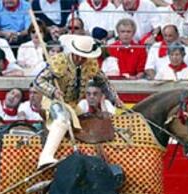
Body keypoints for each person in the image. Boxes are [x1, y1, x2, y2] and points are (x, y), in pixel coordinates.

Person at [33, 34, 123, 168]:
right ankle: (45, 157)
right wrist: (53, 91)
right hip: (53, 101)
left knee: (89, 123)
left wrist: (114, 98)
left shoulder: (91, 64)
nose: (81, 59)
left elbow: (104, 82)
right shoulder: (59, 61)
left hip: (73, 105)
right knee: (62, 119)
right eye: (79, 55)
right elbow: (38, 81)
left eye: (84, 56)